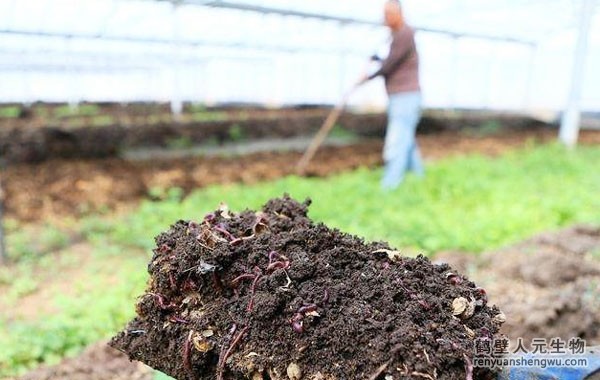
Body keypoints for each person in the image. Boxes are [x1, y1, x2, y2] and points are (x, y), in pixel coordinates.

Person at [360, 0, 423, 190]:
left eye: (388, 13)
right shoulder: (398, 36)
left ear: (399, 13)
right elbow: (392, 60)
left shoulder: (405, 33)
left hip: (405, 96)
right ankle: (420, 179)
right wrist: (377, 59)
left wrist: (368, 76)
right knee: (406, 140)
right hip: (403, 97)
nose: (384, 18)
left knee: (397, 141)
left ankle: (390, 185)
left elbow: (390, 64)